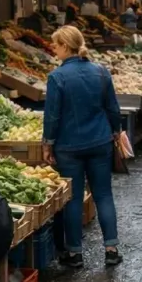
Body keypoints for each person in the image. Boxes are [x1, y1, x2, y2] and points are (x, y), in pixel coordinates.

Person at [43, 26, 122, 268]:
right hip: (100, 141)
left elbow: (52, 116)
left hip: (69, 146)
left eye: (55, 45)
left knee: (74, 198)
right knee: (104, 195)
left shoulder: (57, 77)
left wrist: (48, 144)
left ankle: (75, 254)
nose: (53, 50)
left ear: (66, 47)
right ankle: (111, 249)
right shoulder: (100, 72)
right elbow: (113, 108)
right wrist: (116, 132)